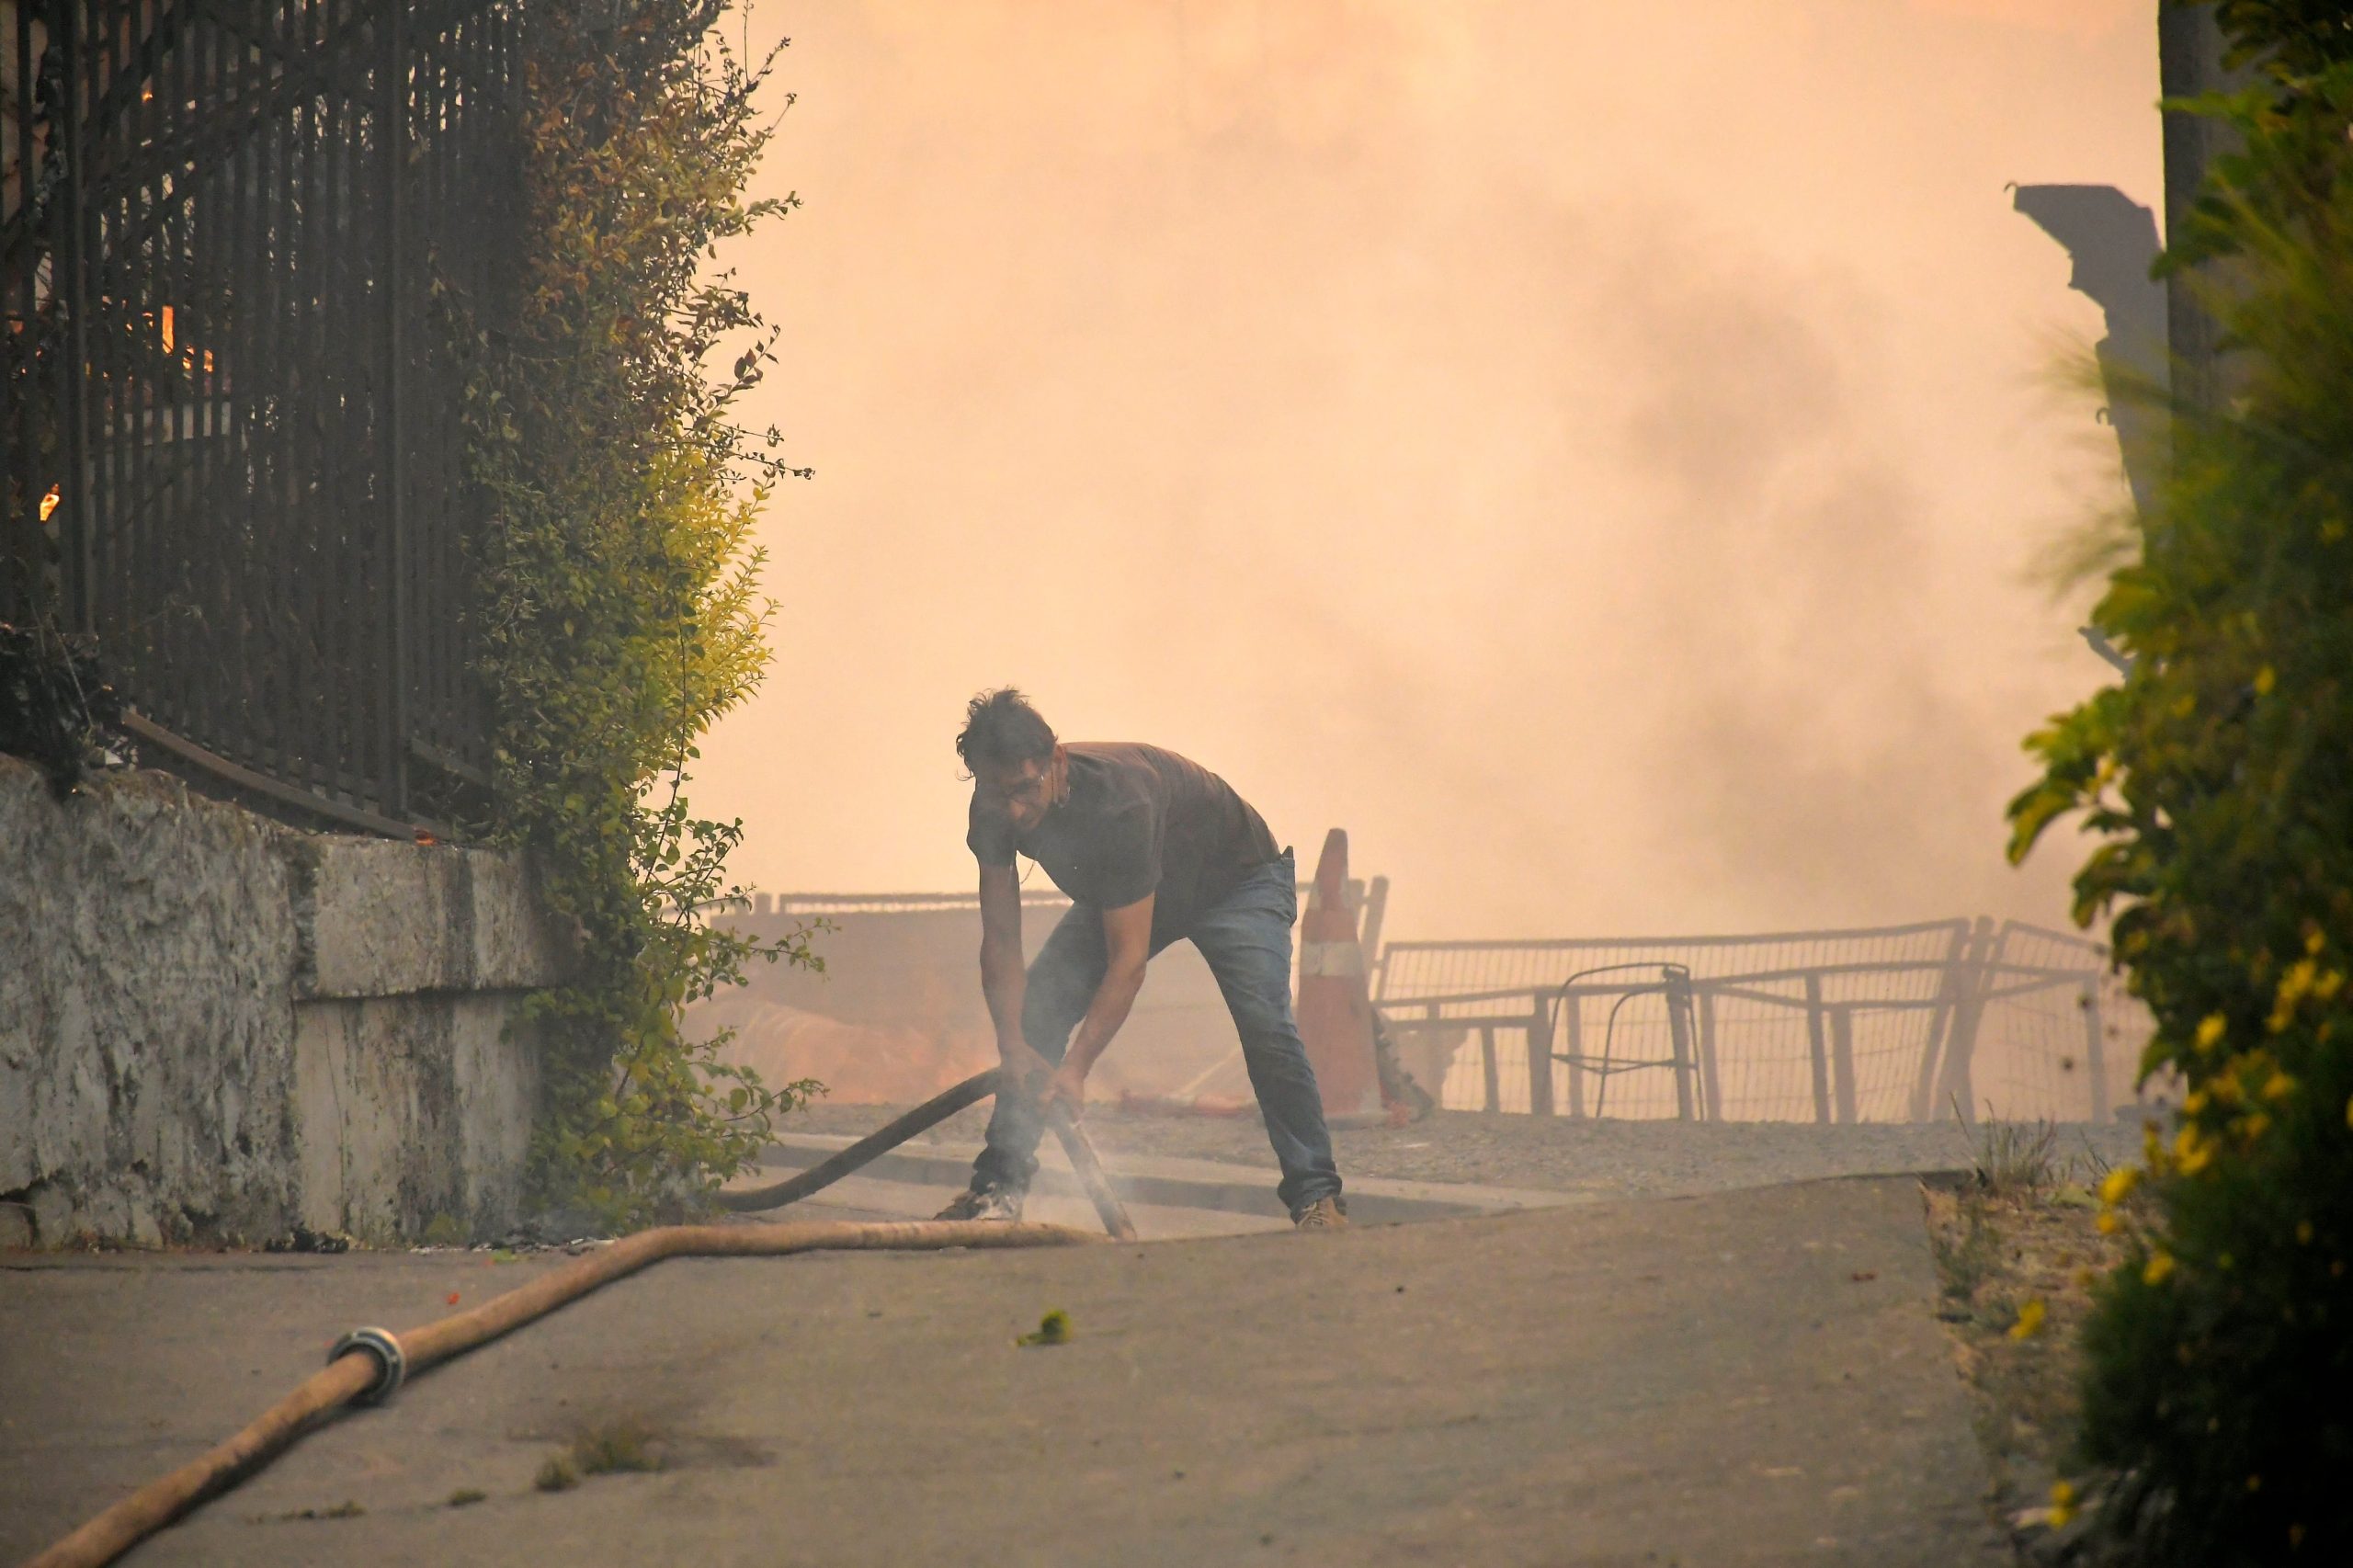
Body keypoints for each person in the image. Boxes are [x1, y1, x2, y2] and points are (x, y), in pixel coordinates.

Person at [934, 688, 1348, 1230]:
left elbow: (1127, 962)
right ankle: (995, 1192)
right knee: (1038, 1008)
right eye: (996, 791)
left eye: (1024, 789)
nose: (1013, 809)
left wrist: (1077, 1067)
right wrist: (1013, 1045)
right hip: (1129, 893)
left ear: (1056, 762)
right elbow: (1001, 943)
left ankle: (1317, 1196)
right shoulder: (993, 810)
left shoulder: (1120, 801)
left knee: (1265, 1024)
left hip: (1237, 884)